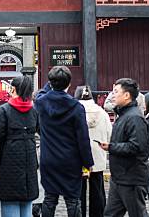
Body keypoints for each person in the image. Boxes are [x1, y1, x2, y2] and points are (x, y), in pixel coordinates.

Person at [34, 66, 93, 217]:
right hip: (70, 160)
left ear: (51, 82)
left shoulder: (41, 102)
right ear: (69, 83)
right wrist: (87, 162)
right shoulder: (76, 107)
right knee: (73, 199)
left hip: (49, 158)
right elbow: (83, 138)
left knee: (49, 198)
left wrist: (51, 84)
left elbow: (41, 92)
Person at [101, 78, 149, 217]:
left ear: (127, 95)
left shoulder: (135, 118)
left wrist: (111, 147)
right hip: (119, 178)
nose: (112, 95)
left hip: (132, 179)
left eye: (116, 92)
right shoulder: (123, 115)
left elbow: (136, 147)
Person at [0, 76, 39, 217]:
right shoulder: (34, 110)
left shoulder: (4, 110)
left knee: (10, 200)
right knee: (27, 200)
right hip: (29, 157)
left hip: (9, 159)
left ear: (13, 89)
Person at [74, 86, 111, 217]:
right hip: (98, 155)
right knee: (97, 189)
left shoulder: (74, 112)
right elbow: (109, 133)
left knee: (78, 192)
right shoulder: (102, 113)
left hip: (78, 157)